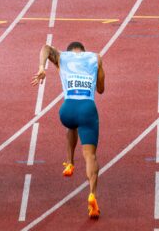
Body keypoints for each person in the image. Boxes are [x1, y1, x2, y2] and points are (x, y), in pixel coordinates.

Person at [31, 41, 105, 219]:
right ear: (83, 51)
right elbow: (101, 89)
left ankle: (70, 163)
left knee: (72, 125)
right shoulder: (95, 58)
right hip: (87, 108)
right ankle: (92, 195)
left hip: (67, 109)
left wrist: (42, 67)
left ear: (70, 51)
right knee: (90, 156)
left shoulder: (62, 57)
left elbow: (45, 47)